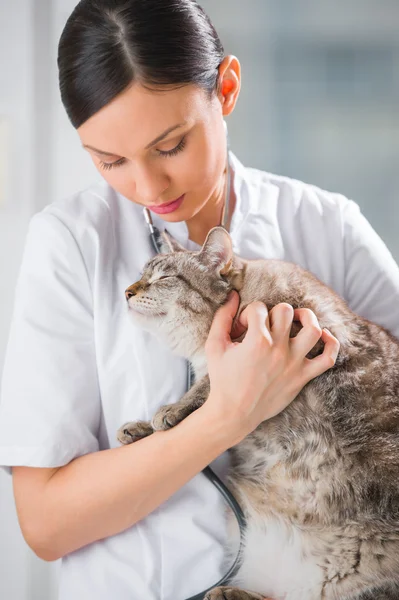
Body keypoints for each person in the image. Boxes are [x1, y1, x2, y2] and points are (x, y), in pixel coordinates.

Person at [0, 1, 398, 599]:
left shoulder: (328, 225)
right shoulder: (71, 245)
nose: (148, 186)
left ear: (227, 88)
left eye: (171, 145)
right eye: (110, 161)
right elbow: (47, 523)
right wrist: (225, 416)